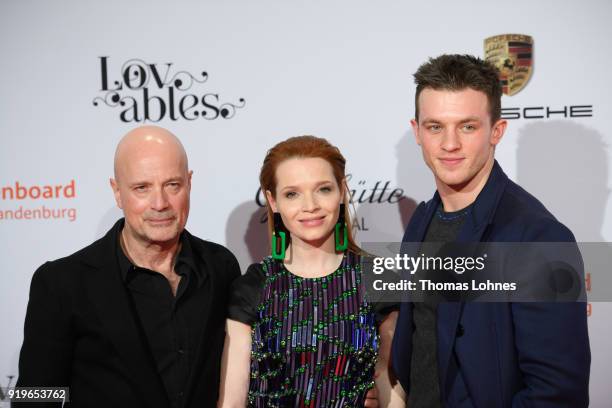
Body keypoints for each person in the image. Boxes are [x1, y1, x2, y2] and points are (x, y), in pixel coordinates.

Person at [391, 54, 591, 407]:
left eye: (467, 126)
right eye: (435, 126)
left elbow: (557, 395)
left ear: (496, 131)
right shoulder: (421, 222)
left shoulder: (539, 238)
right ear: (417, 131)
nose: (449, 144)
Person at [16, 126, 240, 408]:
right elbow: (32, 397)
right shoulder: (62, 283)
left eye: (173, 185)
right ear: (117, 192)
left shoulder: (221, 266)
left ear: (189, 183)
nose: (160, 203)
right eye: (141, 188)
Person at [217, 136, 405, 407]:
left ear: (341, 191)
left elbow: (391, 391)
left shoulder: (376, 277)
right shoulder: (253, 287)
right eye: (292, 193)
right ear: (273, 201)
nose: (310, 205)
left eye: (323, 189)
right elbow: (232, 401)